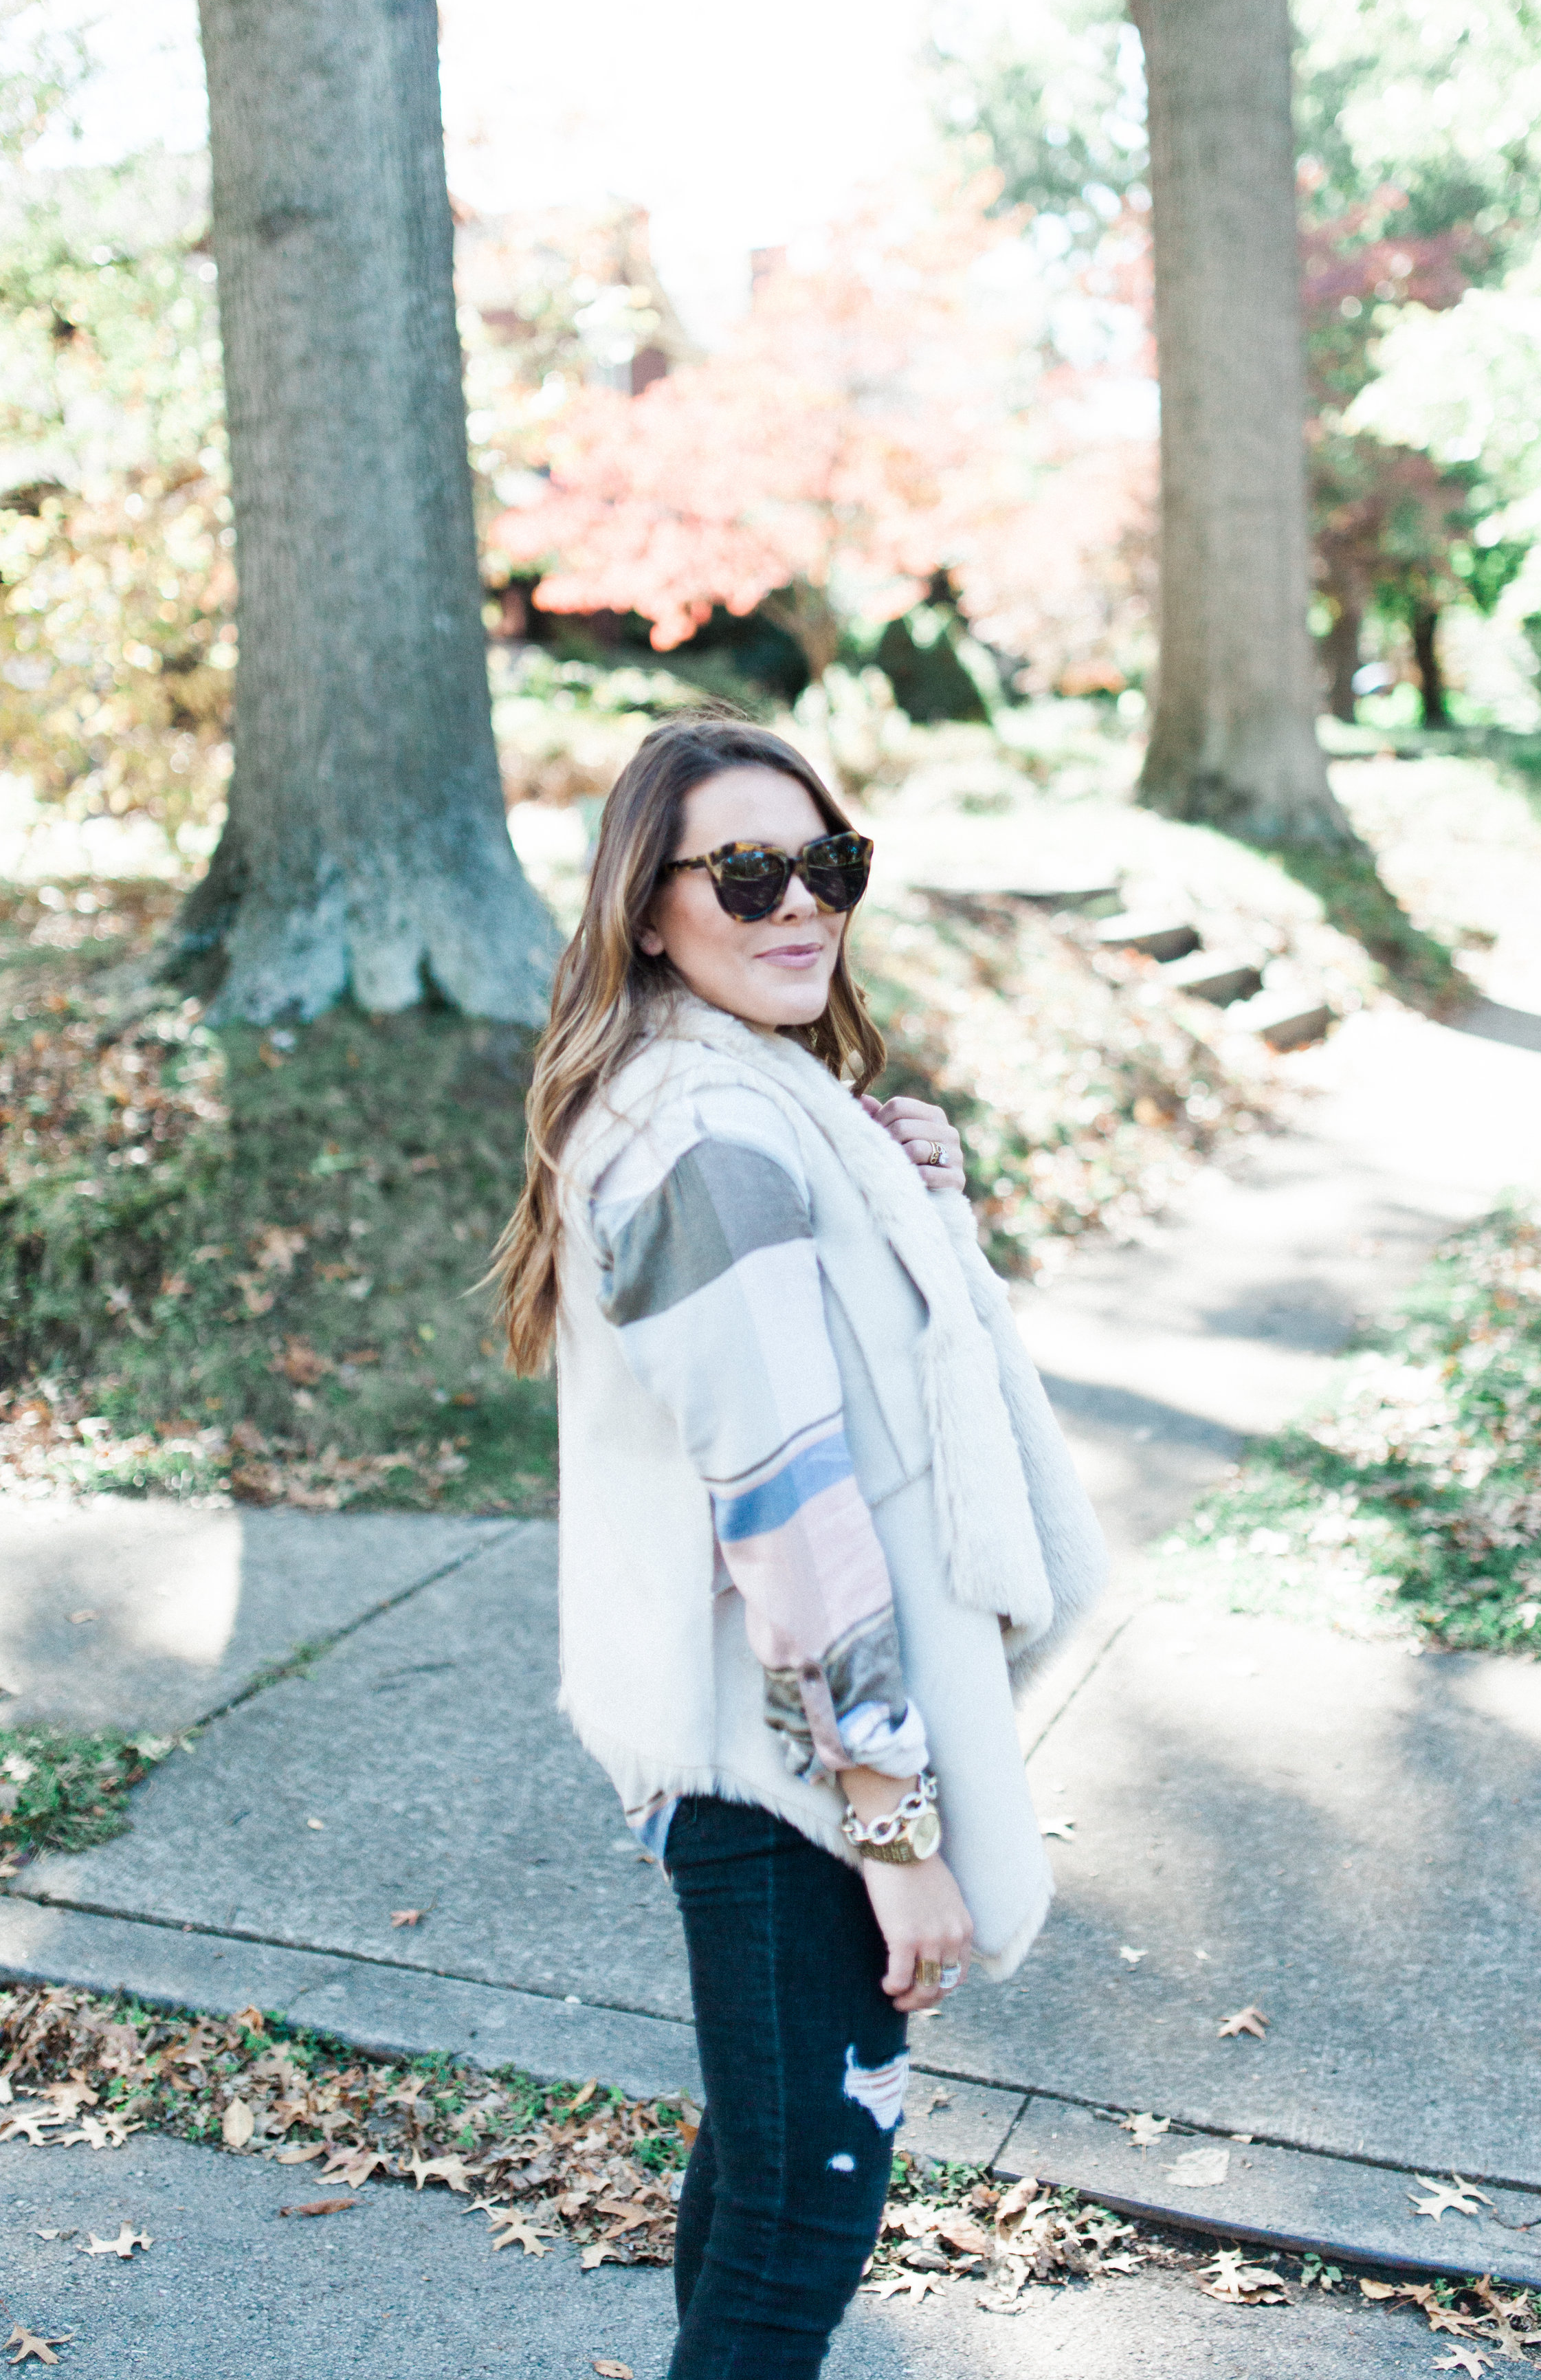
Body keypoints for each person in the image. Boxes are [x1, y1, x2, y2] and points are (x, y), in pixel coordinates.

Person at [493, 710, 1107, 2379]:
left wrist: (916, 1191)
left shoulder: (758, 1102)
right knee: (797, 2224)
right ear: (646, 905)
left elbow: (843, 1361)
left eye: (825, 864)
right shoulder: (712, 1137)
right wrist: (891, 1822)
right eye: (745, 870)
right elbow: (785, 1501)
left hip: (786, 1760)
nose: (798, 905)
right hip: (790, 1777)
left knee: (765, 2187)